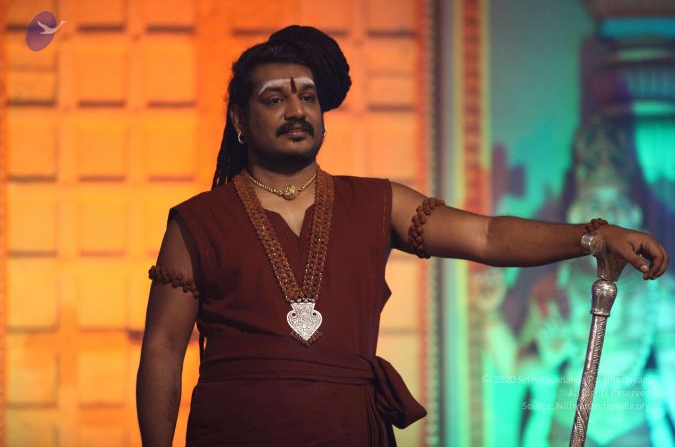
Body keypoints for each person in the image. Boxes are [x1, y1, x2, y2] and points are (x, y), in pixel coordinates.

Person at [135, 25, 669, 447]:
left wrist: (593, 236)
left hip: (348, 429)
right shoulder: (197, 221)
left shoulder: (377, 202)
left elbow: (487, 236)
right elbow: (163, 348)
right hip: (236, 430)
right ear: (239, 120)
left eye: (309, 98)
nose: (297, 110)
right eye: (275, 99)